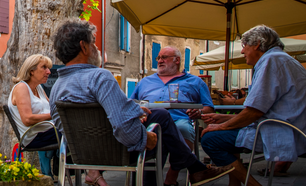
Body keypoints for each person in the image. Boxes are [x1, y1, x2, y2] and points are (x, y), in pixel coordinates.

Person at [49, 19, 232, 186]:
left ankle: (195, 170)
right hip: (117, 152)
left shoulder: (57, 87)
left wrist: (135, 110)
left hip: (84, 155)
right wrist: (145, 138)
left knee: (159, 116)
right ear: (83, 47)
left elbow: (64, 126)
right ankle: (194, 171)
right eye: (93, 43)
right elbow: (123, 128)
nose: (96, 48)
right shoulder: (99, 77)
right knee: (161, 128)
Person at [201, 25, 306, 186]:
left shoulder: (271, 61)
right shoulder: (283, 59)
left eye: (244, 46)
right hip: (296, 129)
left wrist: (221, 126)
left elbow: (255, 112)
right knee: (224, 131)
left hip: (286, 133)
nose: (242, 51)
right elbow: (265, 110)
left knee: (210, 139)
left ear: (257, 44)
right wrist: (223, 118)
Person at [130, 46, 214, 186]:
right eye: (159, 58)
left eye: (164, 57)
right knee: (153, 131)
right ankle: (194, 168)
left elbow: (209, 108)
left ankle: (171, 177)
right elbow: (132, 103)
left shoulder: (195, 82)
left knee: (182, 128)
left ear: (177, 60)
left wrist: (199, 113)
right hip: (150, 120)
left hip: (179, 119)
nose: (160, 61)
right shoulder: (145, 81)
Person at [8, 54, 65, 181]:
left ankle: (57, 164)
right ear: (31, 71)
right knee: (75, 134)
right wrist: (53, 115)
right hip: (33, 137)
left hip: (46, 132)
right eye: (44, 67)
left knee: (75, 130)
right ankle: (88, 172)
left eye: (48, 68)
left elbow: (52, 108)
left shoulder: (38, 88)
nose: (48, 71)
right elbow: (27, 119)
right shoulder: (22, 87)